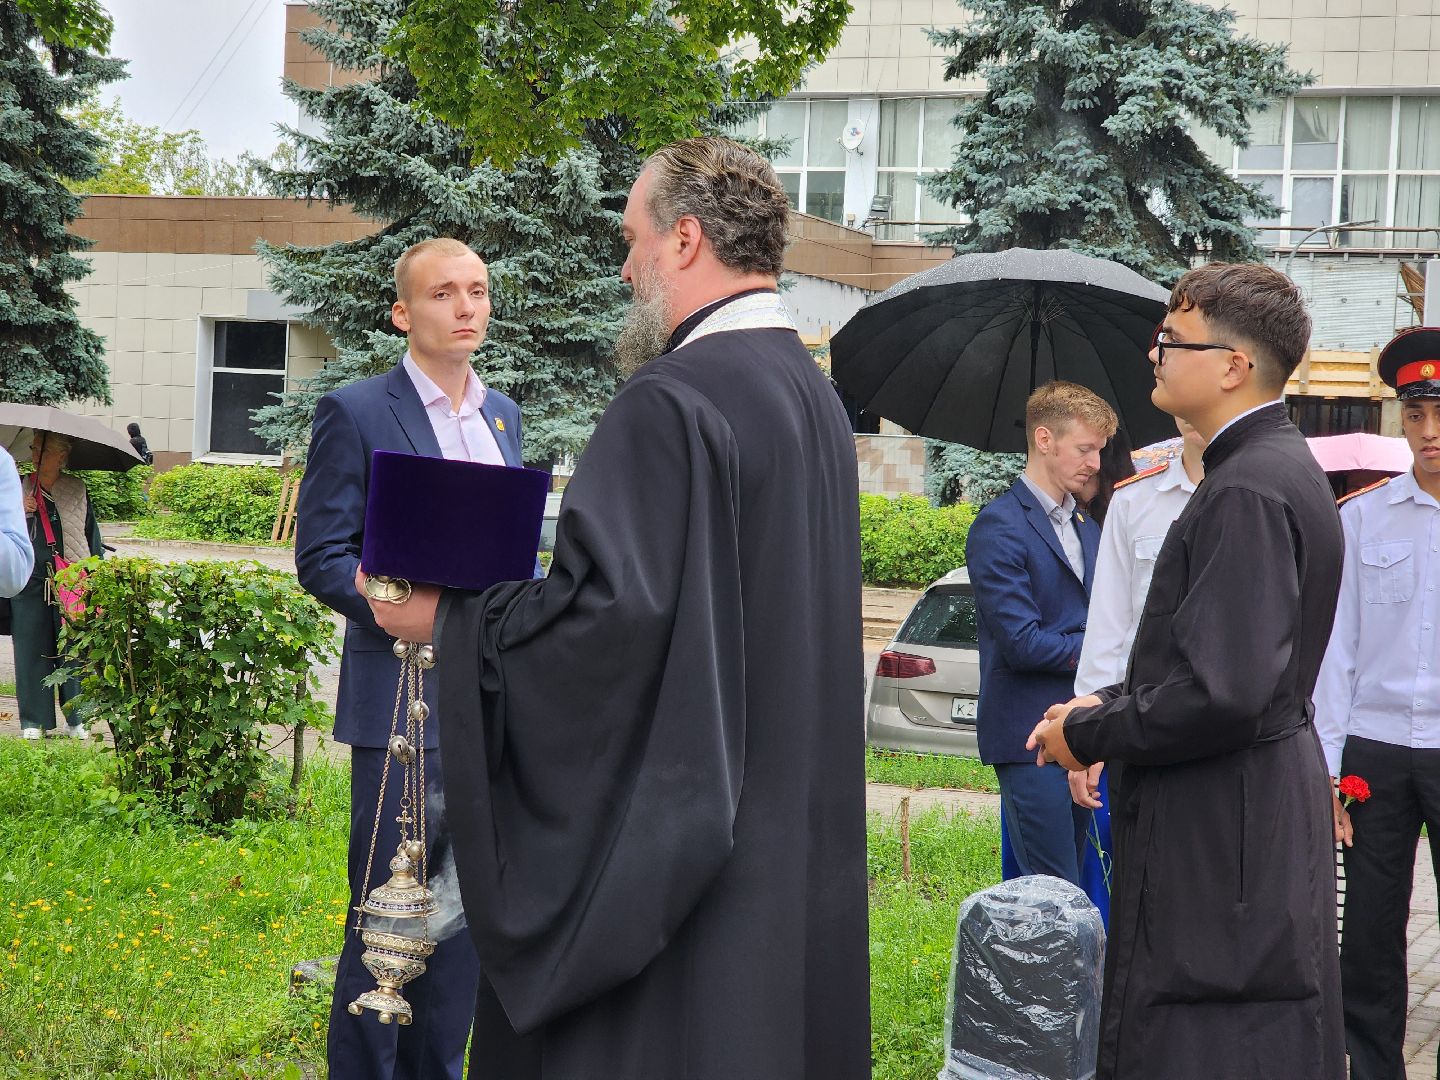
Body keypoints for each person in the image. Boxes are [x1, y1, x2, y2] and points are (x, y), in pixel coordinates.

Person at [359, 137, 871, 1079]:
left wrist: (454, 624)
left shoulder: (673, 401)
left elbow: (606, 629)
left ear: (684, 240)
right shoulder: (812, 394)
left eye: (632, 238)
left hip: (693, 867)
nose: (626, 263)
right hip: (788, 832)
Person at [1028, 263, 1345, 1079]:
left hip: (1224, 833)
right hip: (1244, 814)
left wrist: (1089, 727)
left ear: (1234, 365)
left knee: (1209, 1041)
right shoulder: (1274, 467)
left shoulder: (1247, 487)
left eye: (1172, 339)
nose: (1154, 354)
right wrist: (1102, 705)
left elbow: (1222, 692)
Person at [295, 237, 527, 1080]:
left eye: (478, 290)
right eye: (444, 294)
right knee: (387, 916)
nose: (467, 307)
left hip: (487, 703)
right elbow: (322, 555)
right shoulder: (357, 411)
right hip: (399, 701)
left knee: (466, 914)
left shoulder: (502, 415)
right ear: (404, 312)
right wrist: (411, 614)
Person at [1314, 326, 1440, 1080]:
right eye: (1416, 415)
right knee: (1365, 934)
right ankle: (1373, 1068)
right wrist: (1327, 772)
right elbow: (1336, 656)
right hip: (1376, 754)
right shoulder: (1360, 520)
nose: (1429, 433)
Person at [966, 381, 1114, 888]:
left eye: (1099, 450)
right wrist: (1102, 653)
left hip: (1084, 730)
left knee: (1073, 890)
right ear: (1045, 439)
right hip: (1027, 737)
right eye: (1085, 448)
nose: (1095, 462)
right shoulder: (999, 525)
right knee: (1049, 894)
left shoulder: (1085, 524)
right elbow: (1022, 643)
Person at [1063, 418, 1206, 926]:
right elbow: (1108, 630)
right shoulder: (1135, 502)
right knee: (1137, 895)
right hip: (1140, 730)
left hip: (1225, 741)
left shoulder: (1261, 493)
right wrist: (1085, 739)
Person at [15, 431, 102, 739]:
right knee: (30, 646)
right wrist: (20, 513)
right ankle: (33, 722)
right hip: (29, 577)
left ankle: (77, 718)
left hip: (70, 577)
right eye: (34, 448)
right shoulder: (19, 485)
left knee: (73, 647)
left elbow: (92, 536)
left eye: (41, 449)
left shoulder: (76, 488)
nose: (34, 454)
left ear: (60, 455)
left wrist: (97, 578)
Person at [0, 446, 34, 598]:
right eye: (35, 448)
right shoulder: (26, 481)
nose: (36, 454)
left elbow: (14, 577)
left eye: (44, 450)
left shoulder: (2, 462)